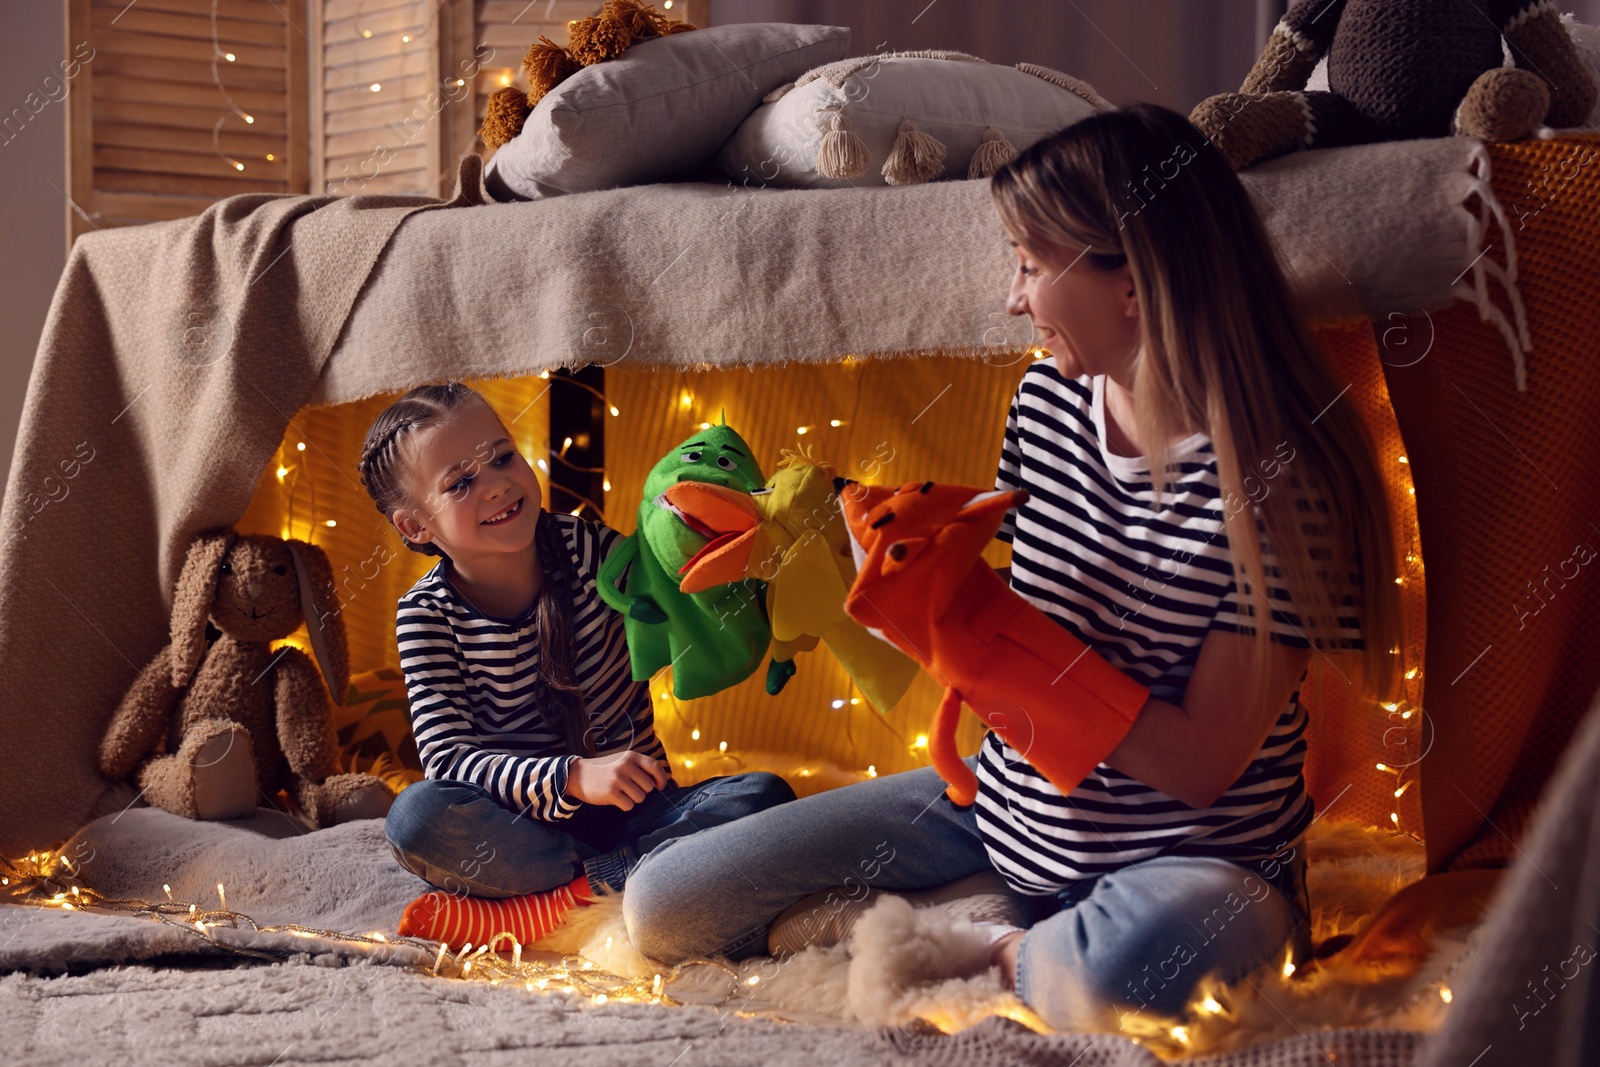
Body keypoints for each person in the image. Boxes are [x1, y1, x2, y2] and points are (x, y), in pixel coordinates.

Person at [621, 102, 1403, 1029]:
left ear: (1135, 286)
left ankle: (991, 942)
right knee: (667, 903)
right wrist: (857, 558)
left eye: (1032, 264)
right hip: (1004, 814)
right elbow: (1000, 593)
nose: (1014, 296)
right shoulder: (1047, 400)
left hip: (1194, 865)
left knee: (1116, 976)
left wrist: (983, 637)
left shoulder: (1280, 481)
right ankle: (1013, 922)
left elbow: (1196, 765)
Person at [356, 382, 795, 950]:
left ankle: (558, 905)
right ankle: (627, 879)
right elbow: (450, 758)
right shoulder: (425, 614)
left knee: (762, 797)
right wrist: (572, 777)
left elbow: (684, 599)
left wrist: (740, 548)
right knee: (416, 819)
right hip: (524, 836)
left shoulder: (593, 551)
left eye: (501, 457)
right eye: (460, 483)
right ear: (416, 527)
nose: (494, 485)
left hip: (639, 813)